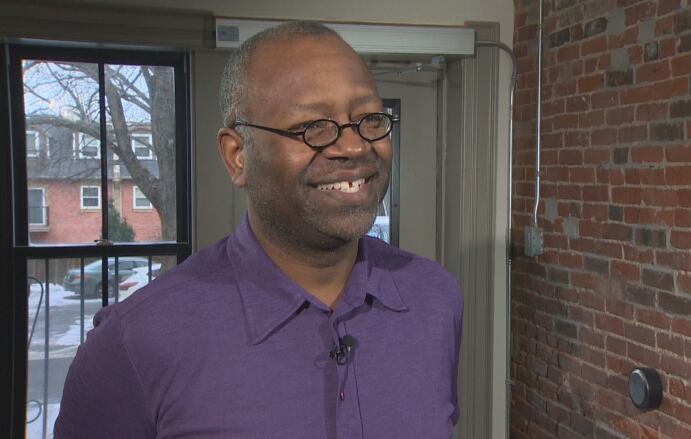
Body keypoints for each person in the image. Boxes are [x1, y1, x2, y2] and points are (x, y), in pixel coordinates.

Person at [55, 21, 463, 438]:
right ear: (237, 156)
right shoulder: (136, 342)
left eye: (370, 119)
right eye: (313, 127)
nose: (355, 146)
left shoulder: (434, 298)